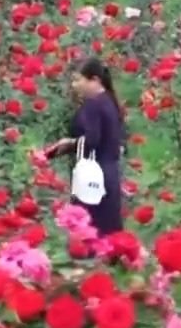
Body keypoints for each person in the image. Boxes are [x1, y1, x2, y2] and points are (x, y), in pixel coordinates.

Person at [37, 57, 126, 235]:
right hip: (110, 174)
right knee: (108, 232)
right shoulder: (109, 101)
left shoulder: (93, 105)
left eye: (78, 80)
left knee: (90, 231)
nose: (74, 85)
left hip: (92, 177)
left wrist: (69, 143)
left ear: (95, 80)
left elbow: (92, 140)